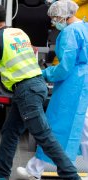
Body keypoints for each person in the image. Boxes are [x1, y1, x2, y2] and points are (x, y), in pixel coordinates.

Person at [0, 2, 81, 180]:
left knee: (44, 136)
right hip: (36, 84)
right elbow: (24, 56)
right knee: (10, 130)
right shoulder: (19, 32)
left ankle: (71, 175)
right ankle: (1, 174)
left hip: (26, 90)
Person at [16, 1, 88, 179]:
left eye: (55, 18)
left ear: (63, 14)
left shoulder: (70, 32)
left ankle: (34, 170)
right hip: (83, 83)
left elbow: (65, 67)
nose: (54, 22)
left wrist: (44, 73)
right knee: (83, 128)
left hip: (72, 86)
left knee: (55, 125)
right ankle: (36, 169)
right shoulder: (85, 27)